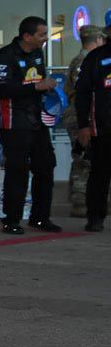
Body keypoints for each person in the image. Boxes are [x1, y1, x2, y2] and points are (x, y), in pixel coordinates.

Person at [0, 17, 60, 233]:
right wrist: (36, 87)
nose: (45, 38)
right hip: (14, 123)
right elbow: (1, 89)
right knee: (17, 170)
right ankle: (11, 220)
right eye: (41, 34)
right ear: (27, 36)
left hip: (37, 121)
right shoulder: (5, 55)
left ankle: (40, 218)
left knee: (46, 166)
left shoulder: (38, 54)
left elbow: (38, 83)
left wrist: (47, 89)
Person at [62, 25, 108, 217]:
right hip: (80, 116)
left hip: (89, 115)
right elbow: (82, 93)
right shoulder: (84, 61)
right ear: (97, 40)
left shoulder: (86, 59)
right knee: (84, 158)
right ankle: (80, 201)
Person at [74, 37, 111, 231]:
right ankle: (95, 217)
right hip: (103, 128)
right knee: (100, 174)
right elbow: (82, 93)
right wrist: (83, 126)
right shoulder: (96, 58)